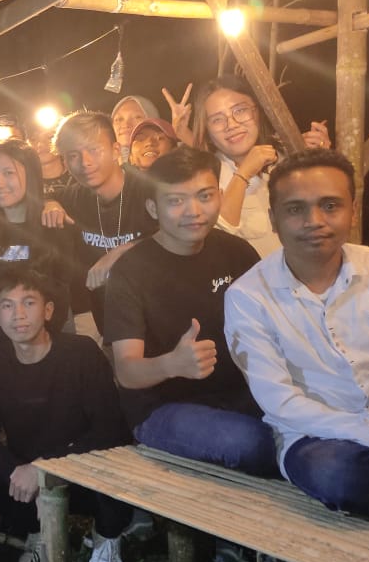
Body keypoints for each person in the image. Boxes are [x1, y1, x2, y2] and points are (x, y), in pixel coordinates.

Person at [224, 150, 369, 562]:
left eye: (330, 205)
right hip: (316, 440)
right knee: (338, 475)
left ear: (352, 208)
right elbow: (279, 401)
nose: (315, 221)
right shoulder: (248, 296)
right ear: (274, 218)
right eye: (296, 209)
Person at [105, 148, 274, 476]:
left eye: (204, 196)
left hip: (238, 395)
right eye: (175, 201)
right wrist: (172, 363)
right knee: (251, 443)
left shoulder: (237, 252)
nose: (193, 211)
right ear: (153, 208)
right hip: (163, 408)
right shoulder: (130, 271)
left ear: (219, 195)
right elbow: (126, 371)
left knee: (306, 426)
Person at [0, 269, 132, 562]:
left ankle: (107, 534)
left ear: (48, 310)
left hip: (81, 466)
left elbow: (110, 430)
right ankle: (35, 528)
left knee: (116, 463)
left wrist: (47, 468)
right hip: (26, 475)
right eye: (8, 305)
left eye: (29, 302)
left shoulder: (81, 353)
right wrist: (20, 472)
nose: (18, 314)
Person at [42, 111, 157, 337]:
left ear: (115, 150)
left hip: (153, 313)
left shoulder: (147, 189)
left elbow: (179, 235)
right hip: (102, 319)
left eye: (94, 150)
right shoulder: (74, 197)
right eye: (73, 155)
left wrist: (121, 252)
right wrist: (49, 204)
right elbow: (43, 198)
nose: (85, 162)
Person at [192, 75, 331, 257]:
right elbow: (216, 236)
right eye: (217, 119)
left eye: (240, 110)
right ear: (207, 130)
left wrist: (322, 160)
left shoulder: (287, 157)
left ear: (258, 111)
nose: (231, 125)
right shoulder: (204, 177)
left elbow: (328, 211)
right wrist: (244, 173)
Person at [0, 140, 73, 346]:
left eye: (8, 173)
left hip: (49, 341)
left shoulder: (51, 221)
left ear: (31, 175)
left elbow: (65, 285)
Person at [111, 95, 160, 163]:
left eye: (137, 117)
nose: (126, 125)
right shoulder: (100, 164)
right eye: (119, 119)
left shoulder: (165, 164)